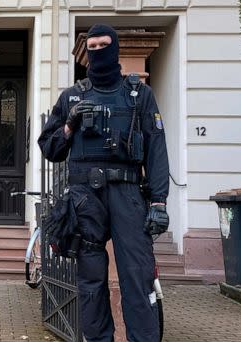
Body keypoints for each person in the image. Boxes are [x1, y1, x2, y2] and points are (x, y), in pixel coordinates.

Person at [38, 24, 169, 342]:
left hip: (128, 194)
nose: (97, 51)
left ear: (115, 48)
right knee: (91, 283)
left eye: (103, 45)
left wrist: (159, 202)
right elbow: (50, 149)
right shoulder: (72, 96)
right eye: (91, 46)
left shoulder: (138, 94)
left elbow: (156, 148)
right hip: (85, 199)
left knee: (137, 279)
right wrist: (69, 126)